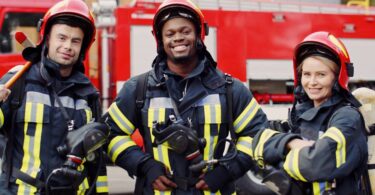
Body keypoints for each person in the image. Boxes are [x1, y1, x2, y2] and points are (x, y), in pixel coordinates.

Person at [104, 0, 269, 194]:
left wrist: (226, 171)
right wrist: (144, 166)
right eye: (170, 34)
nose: (178, 38)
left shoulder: (230, 89)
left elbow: (257, 135)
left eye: (185, 31)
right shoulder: (138, 88)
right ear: (160, 40)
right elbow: (110, 134)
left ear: (199, 35)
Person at [0, 0, 108, 194]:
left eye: (75, 41)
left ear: (83, 46)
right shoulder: (17, 82)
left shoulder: (88, 94)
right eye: (62, 38)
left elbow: (96, 160)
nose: (67, 46)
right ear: (47, 38)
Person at [252, 31, 368, 194]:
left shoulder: (347, 118)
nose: (312, 82)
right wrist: (291, 143)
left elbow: (315, 165)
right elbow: (257, 138)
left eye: (321, 75)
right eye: (307, 74)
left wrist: (278, 157)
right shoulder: (300, 114)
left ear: (337, 78)